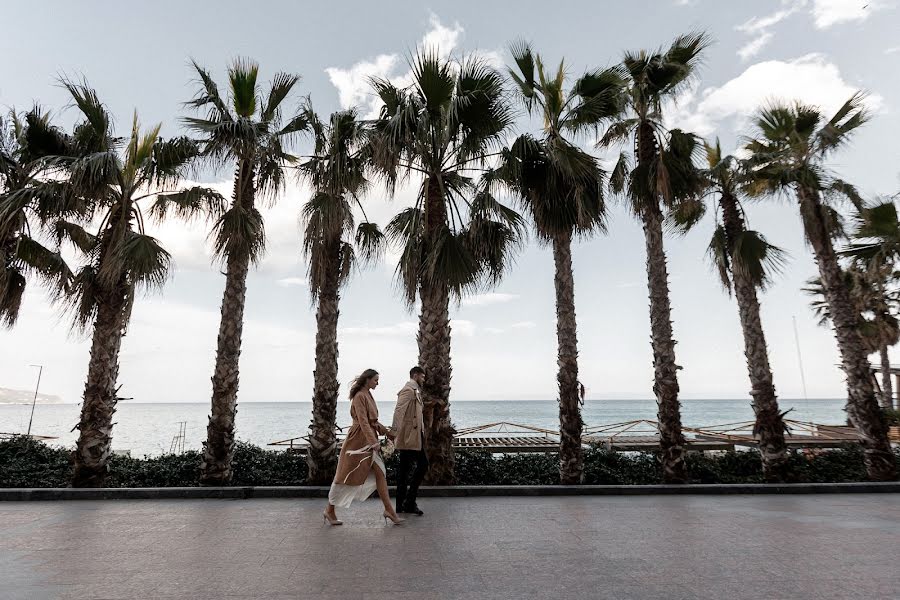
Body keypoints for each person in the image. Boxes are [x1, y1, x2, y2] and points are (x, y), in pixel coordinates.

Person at [323, 369, 404, 526]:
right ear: (367, 380)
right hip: (358, 443)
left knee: (381, 474)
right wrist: (374, 442)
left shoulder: (367, 394)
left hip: (368, 441)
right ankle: (329, 510)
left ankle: (389, 511)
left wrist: (387, 432)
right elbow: (363, 422)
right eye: (375, 380)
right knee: (344, 478)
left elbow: (372, 421)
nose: (377, 383)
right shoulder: (360, 396)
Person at [391, 366, 428, 516]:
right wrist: (393, 432)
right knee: (422, 465)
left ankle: (402, 504)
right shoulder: (408, 390)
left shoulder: (415, 391)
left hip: (414, 436)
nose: (424, 379)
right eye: (423, 377)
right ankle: (409, 502)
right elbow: (398, 411)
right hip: (409, 437)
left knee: (404, 470)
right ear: (415, 375)